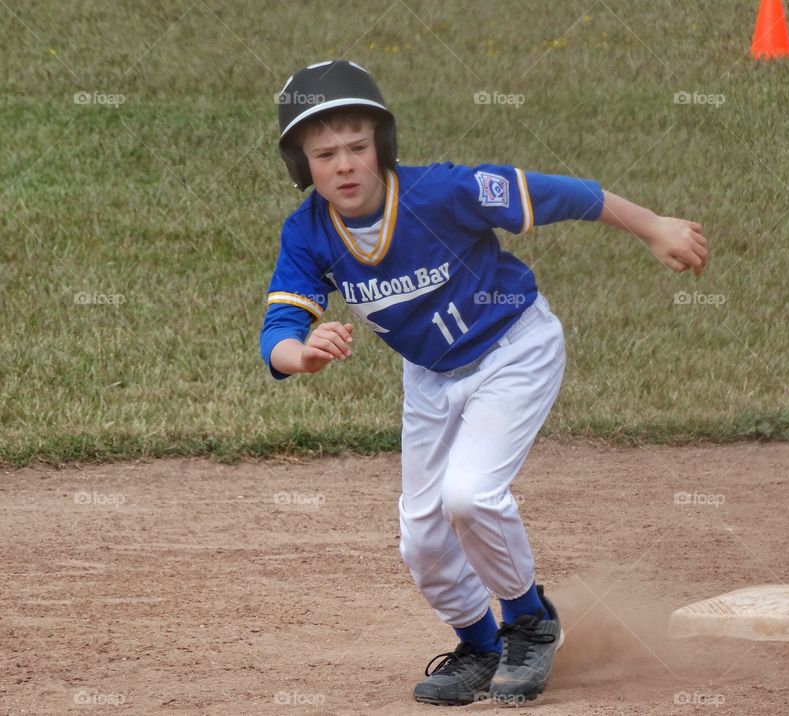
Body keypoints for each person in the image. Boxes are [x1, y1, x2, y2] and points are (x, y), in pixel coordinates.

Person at [259, 60, 708, 706]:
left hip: (514, 349)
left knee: (468, 496)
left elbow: (556, 193)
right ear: (303, 165)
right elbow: (278, 329)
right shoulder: (307, 232)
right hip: (432, 378)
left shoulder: (438, 194)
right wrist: (301, 354)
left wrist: (654, 226)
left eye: (358, 146)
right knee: (421, 539)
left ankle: (529, 620)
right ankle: (482, 645)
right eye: (325, 153)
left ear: (381, 146)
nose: (346, 164)